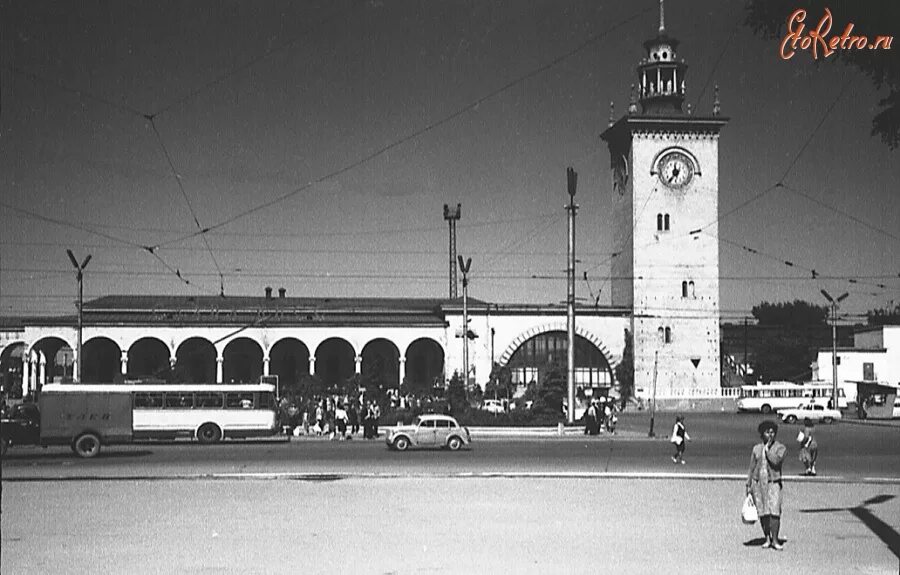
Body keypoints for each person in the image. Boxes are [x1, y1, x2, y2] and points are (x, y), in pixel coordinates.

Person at [746, 420, 787, 550]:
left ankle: (775, 539)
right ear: (762, 434)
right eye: (767, 431)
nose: (770, 434)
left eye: (772, 432)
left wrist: (768, 450)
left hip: (773, 482)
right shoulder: (756, 449)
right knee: (763, 512)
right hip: (758, 483)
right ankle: (767, 538)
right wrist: (748, 483)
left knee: (774, 511)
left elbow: (776, 462)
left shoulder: (780, 448)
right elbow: (751, 467)